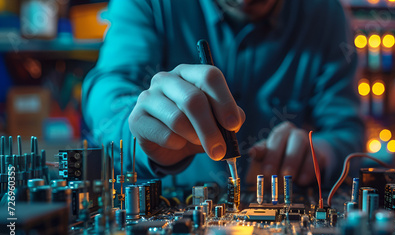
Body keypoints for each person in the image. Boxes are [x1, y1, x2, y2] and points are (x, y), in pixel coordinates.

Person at [82, 0, 364, 192]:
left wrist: (319, 153)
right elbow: (108, 95)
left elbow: (347, 131)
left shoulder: (325, 15)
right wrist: (145, 134)